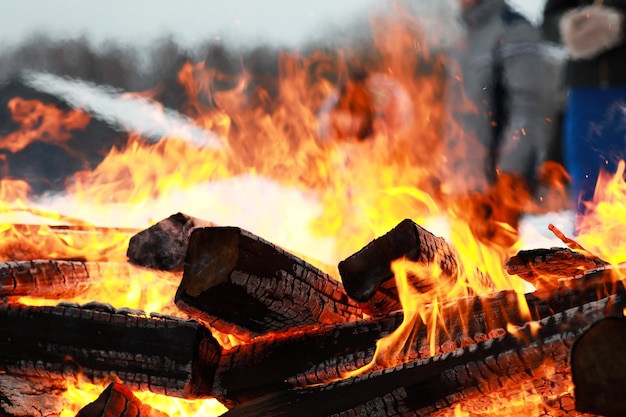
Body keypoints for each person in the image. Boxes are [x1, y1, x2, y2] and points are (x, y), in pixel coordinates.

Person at [442, 0, 565, 246]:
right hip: (463, 190)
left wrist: (512, 174)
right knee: (465, 281)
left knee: (496, 278)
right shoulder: (466, 38)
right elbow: (457, 118)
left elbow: (529, 108)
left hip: (497, 190)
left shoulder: (514, 28)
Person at [542, 0, 626, 232]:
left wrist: (619, 26)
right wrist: (568, 28)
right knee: (588, 181)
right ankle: (591, 256)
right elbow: (548, 22)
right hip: (584, 92)